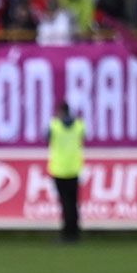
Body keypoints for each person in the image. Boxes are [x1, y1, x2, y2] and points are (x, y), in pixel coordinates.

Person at [48, 101, 85, 243]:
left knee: (65, 204)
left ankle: (67, 234)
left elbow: (47, 139)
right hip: (74, 169)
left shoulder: (54, 126)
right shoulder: (79, 125)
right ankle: (75, 233)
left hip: (59, 170)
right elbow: (83, 139)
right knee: (74, 203)